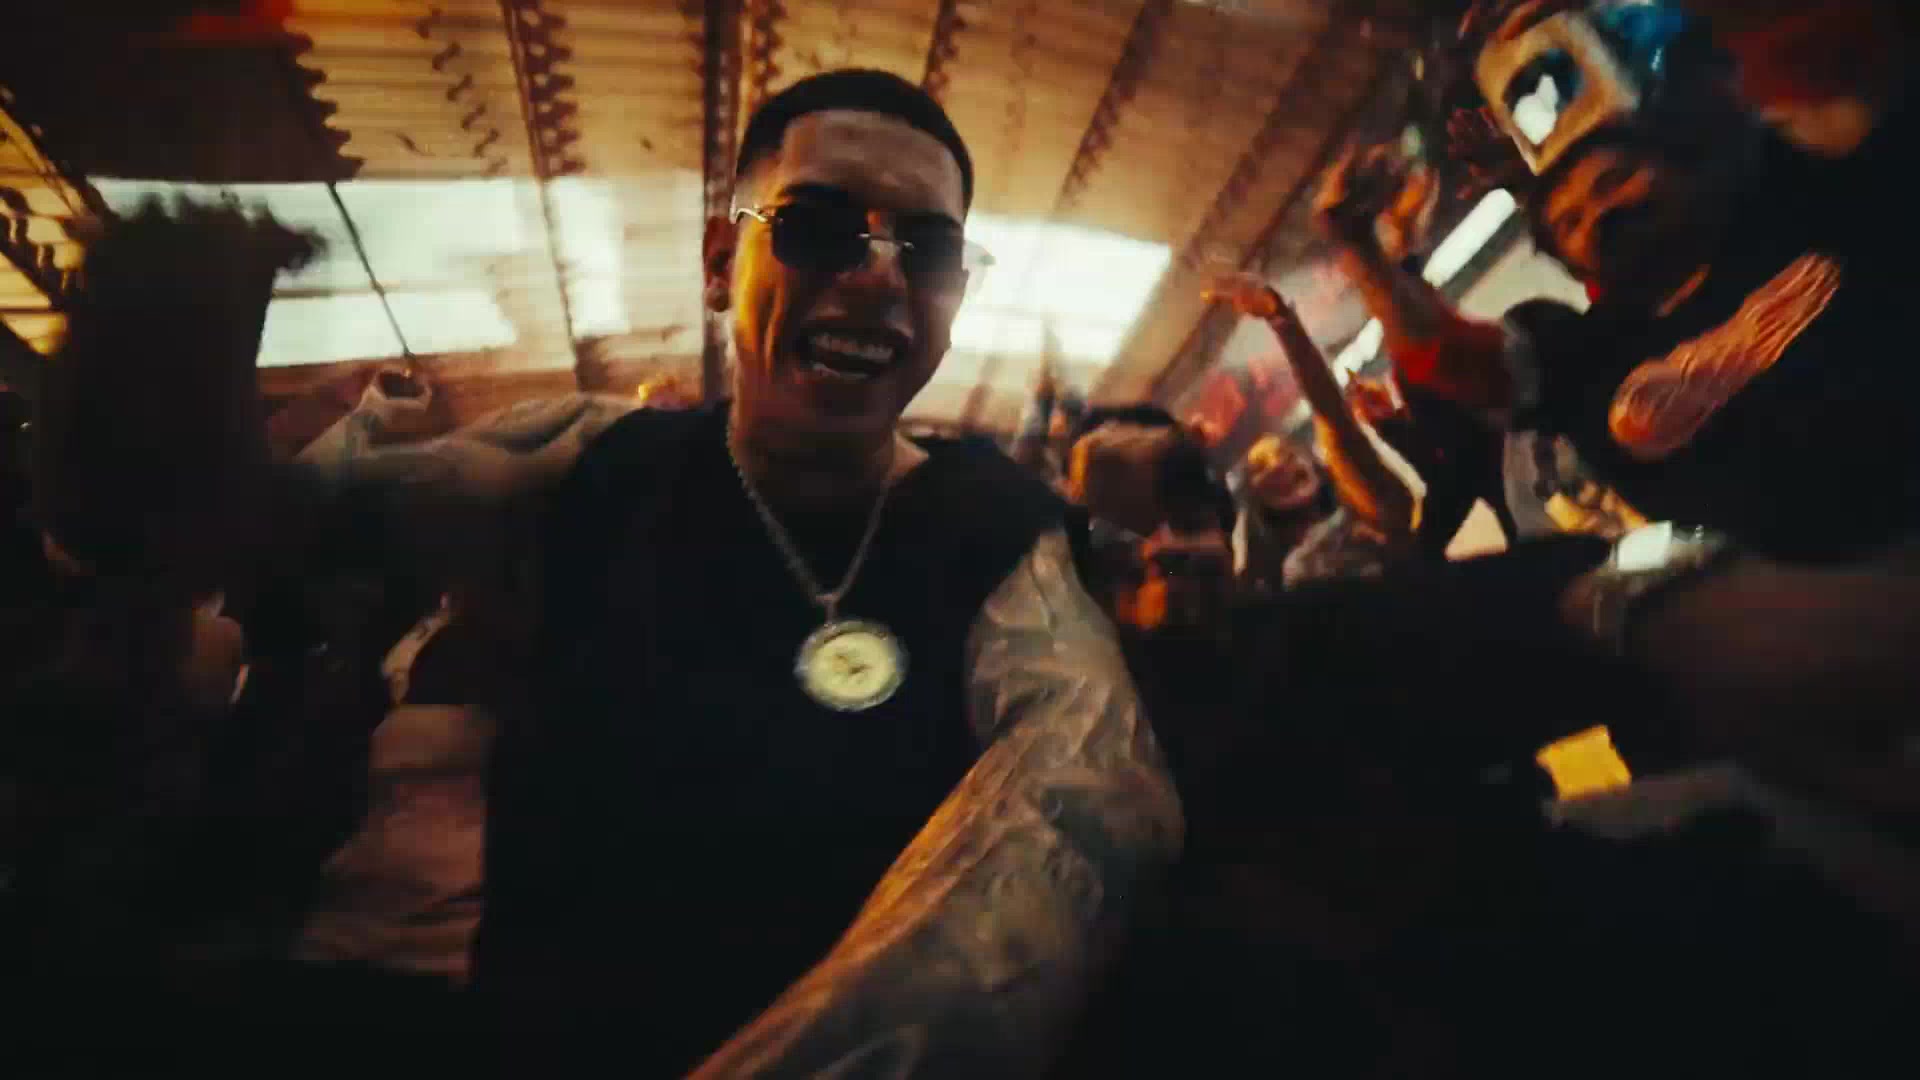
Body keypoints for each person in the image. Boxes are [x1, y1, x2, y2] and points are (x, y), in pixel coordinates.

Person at [474, 69, 1182, 1076]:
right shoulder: (589, 465)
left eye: (926, 249)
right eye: (815, 229)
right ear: (720, 262)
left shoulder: (995, 524)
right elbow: (301, 513)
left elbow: (1090, 792)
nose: (881, 277)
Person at [1325, 0, 1920, 565]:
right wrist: (1359, 249)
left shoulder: (1799, 194)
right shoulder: (1585, 356)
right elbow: (1446, 355)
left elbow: (1841, 53)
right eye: (1571, 223)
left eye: (1613, 181)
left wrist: (1606, 25)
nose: (1599, 216)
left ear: (1681, 168)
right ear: (1572, 267)